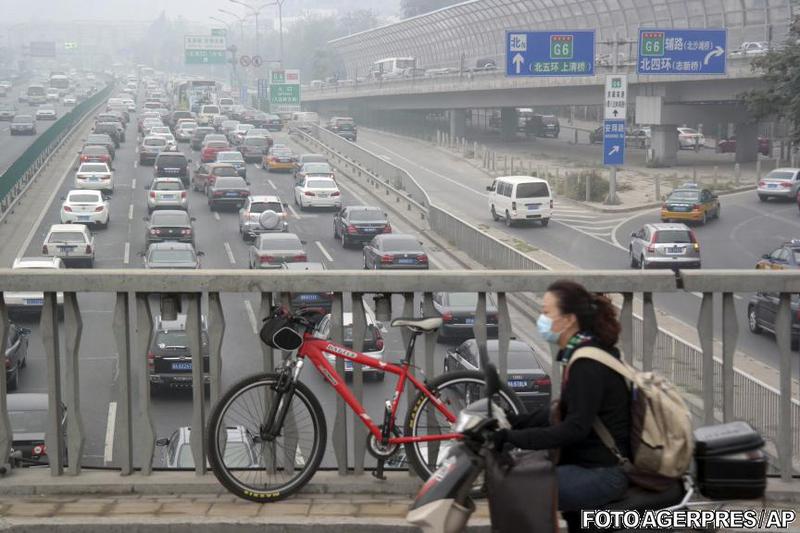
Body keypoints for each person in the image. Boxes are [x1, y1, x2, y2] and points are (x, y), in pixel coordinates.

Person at [492, 280, 631, 521]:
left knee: (520, 488)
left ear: (568, 320)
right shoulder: (583, 352)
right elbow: (562, 411)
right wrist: (511, 421)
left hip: (604, 472)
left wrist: (511, 438)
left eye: (547, 312)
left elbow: (572, 429)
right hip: (590, 464)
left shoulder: (587, 364)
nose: (541, 319)